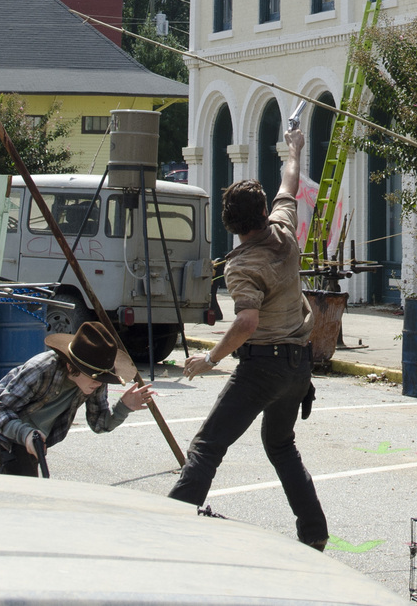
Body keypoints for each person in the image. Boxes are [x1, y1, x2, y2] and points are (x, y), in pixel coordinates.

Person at [169, 120, 328, 549]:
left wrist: (209, 360)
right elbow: (289, 183)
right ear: (262, 214)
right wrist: (294, 144)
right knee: (280, 445)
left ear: (229, 223)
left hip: (264, 365)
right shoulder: (284, 230)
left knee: (207, 445)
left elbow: (246, 323)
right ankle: (314, 535)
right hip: (298, 365)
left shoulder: (242, 266)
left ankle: (169, 529)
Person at [0, 318, 152, 476]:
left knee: (26, 494)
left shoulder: (97, 379)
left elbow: (99, 424)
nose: (100, 384)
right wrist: (26, 435)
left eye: (103, 378)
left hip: (36, 437)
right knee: (24, 494)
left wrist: (124, 407)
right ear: (71, 367)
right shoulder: (41, 369)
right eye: (94, 377)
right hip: (2, 434)